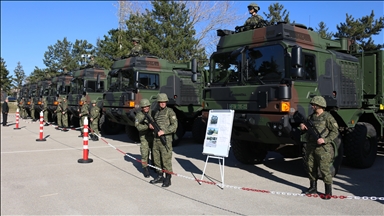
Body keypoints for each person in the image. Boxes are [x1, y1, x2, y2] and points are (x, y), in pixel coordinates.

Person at [299, 96, 339, 200]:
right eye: (312, 104)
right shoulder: (311, 117)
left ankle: (328, 191)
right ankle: (313, 187)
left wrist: (325, 140)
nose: (312, 106)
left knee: (324, 169)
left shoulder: (327, 117)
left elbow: (335, 131)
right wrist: (302, 127)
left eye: (314, 105)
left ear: (320, 105)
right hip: (311, 146)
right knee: (311, 167)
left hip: (322, 147)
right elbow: (305, 129)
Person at [149, 93, 178, 187]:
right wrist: (151, 126)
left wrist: (164, 131)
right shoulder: (156, 112)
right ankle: (159, 176)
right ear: (158, 102)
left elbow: (174, 126)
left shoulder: (170, 112)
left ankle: (168, 178)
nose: (162, 104)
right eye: (161, 102)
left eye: (164, 102)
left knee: (166, 159)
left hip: (166, 139)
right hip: (156, 139)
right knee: (156, 159)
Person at [135, 98, 154, 178]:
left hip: (152, 135)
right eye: (144, 107)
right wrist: (147, 126)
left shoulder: (152, 113)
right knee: (144, 152)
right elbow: (137, 126)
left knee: (154, 152)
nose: (146, 108)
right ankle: (145, 168)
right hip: (144, 136)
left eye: (147, 106)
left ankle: (154, 165)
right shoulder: (139, 115)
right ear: (142, 108)